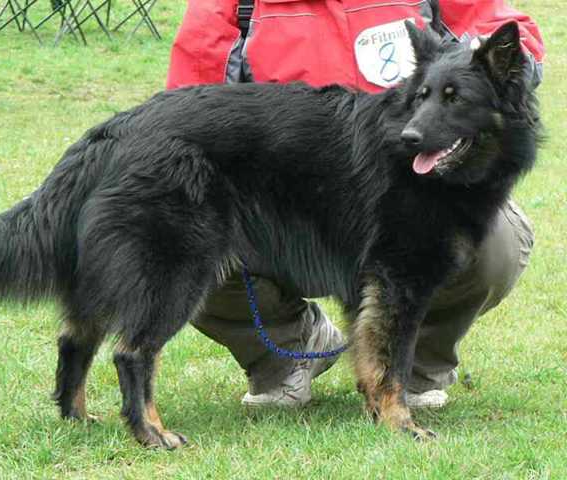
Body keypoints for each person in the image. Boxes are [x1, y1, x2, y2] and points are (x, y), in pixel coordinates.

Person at [165, 0, 545, 409]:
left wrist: (486, 65)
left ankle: (413, 366)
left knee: (497, 245)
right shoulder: (231, 5)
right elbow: (190, 106)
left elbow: (511, 37)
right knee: (180, 230)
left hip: (408, 187)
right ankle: (287, 351)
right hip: (280, 209)